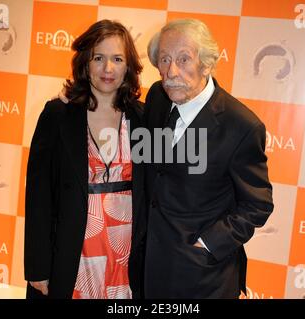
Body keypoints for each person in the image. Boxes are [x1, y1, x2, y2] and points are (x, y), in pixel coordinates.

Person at [143, 19, 274, 299]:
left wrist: (208, 244)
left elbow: (257, 204)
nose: (171, 71)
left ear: (206, 64)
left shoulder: (241, 126)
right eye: (164, 59)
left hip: (201, 280)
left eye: (183, 59)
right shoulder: (158, 97)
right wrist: (79, 100)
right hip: (147, 268)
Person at [24, 19, 146, 299]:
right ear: (85, 64)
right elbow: (39, 196)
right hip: (72, 253)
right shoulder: (57, 115)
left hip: (126, 258)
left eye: (117, 58)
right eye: (98, 58)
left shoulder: (142, 118)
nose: (108, 68)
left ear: (128, 66)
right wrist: (37, 268)